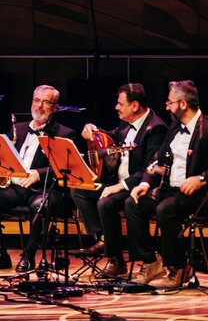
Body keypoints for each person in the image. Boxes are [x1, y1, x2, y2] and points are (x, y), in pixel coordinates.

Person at [0, 85, 77, 273]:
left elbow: (67, 167)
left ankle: (28, 255)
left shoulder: (65, 134)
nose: (39, 106)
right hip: (15, 188)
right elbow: (2, 156)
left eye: (46, 102)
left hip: (45, 190)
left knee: (40, 206)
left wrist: (37, 174)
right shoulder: (18, 128)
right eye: (36, 100)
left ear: (55, 107)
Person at [74, 83, 167, 278]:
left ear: (134, 106)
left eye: (120, 104)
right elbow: (113, 137)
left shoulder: (156, 129)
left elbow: (149, 168)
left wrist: (119, 186)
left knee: (106, 202)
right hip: (118, 183)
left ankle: (116, 261)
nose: (116, 107)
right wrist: (93, 129)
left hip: (138, 186)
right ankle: (103, 237)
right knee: (79, 189)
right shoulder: (127, 122)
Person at [125, 80, 208, 289]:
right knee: (133, 204)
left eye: (170, 102)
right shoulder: (174, 128)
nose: (166, 106)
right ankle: (151, 263)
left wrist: (201, 179)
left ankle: (178, 268)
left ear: (182, 104)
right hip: (170, 190)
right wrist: (145, 183)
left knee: (165, 210)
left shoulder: (206, 128)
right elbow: (159, 161)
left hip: (199, 195)